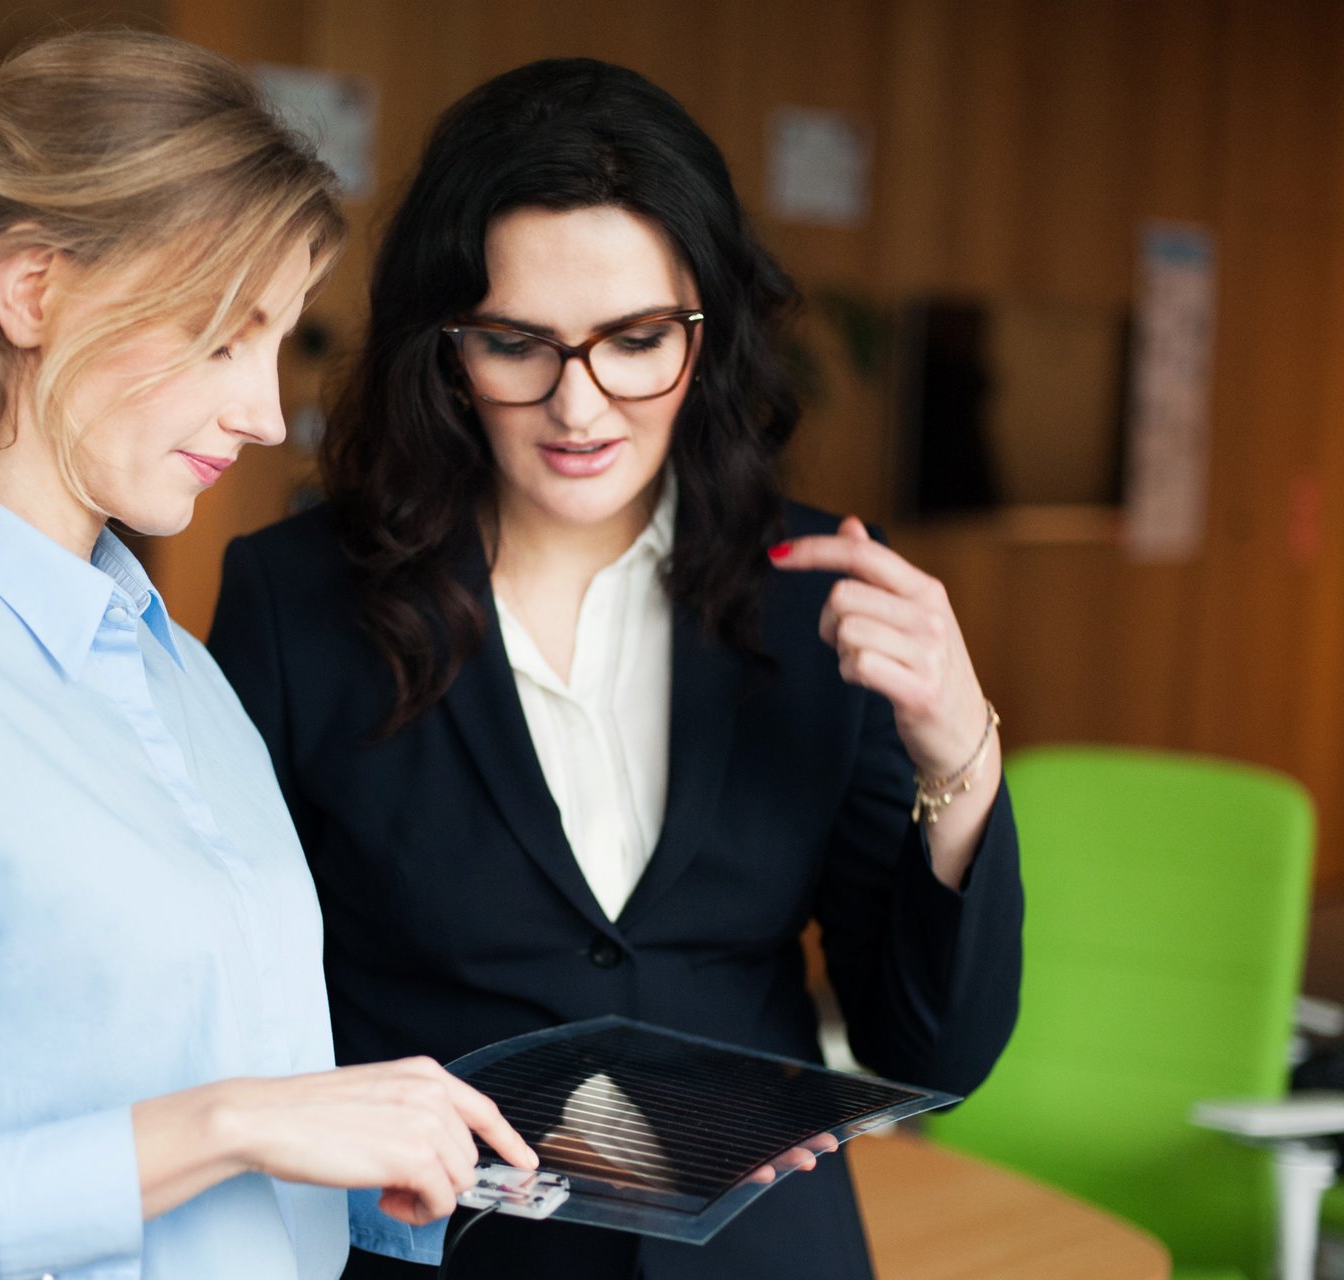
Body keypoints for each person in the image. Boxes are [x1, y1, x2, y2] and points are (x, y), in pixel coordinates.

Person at [0, 31, 535, 1280]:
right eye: (224, 336)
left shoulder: (178, 675)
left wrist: (405, 1154)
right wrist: (229, 1120)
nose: (264, 414)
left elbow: (174, 1129)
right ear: (32, 291)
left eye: (279, 343)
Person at [208, 57, 1024, 1280]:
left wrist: (960, 752)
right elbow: (231, 1013)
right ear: (446, 347)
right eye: (517, 344)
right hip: (447, 1253)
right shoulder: (296, 600)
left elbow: (935, 1052)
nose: (580, 407)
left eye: (637, 341)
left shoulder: (821, 594)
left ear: (708, 330)